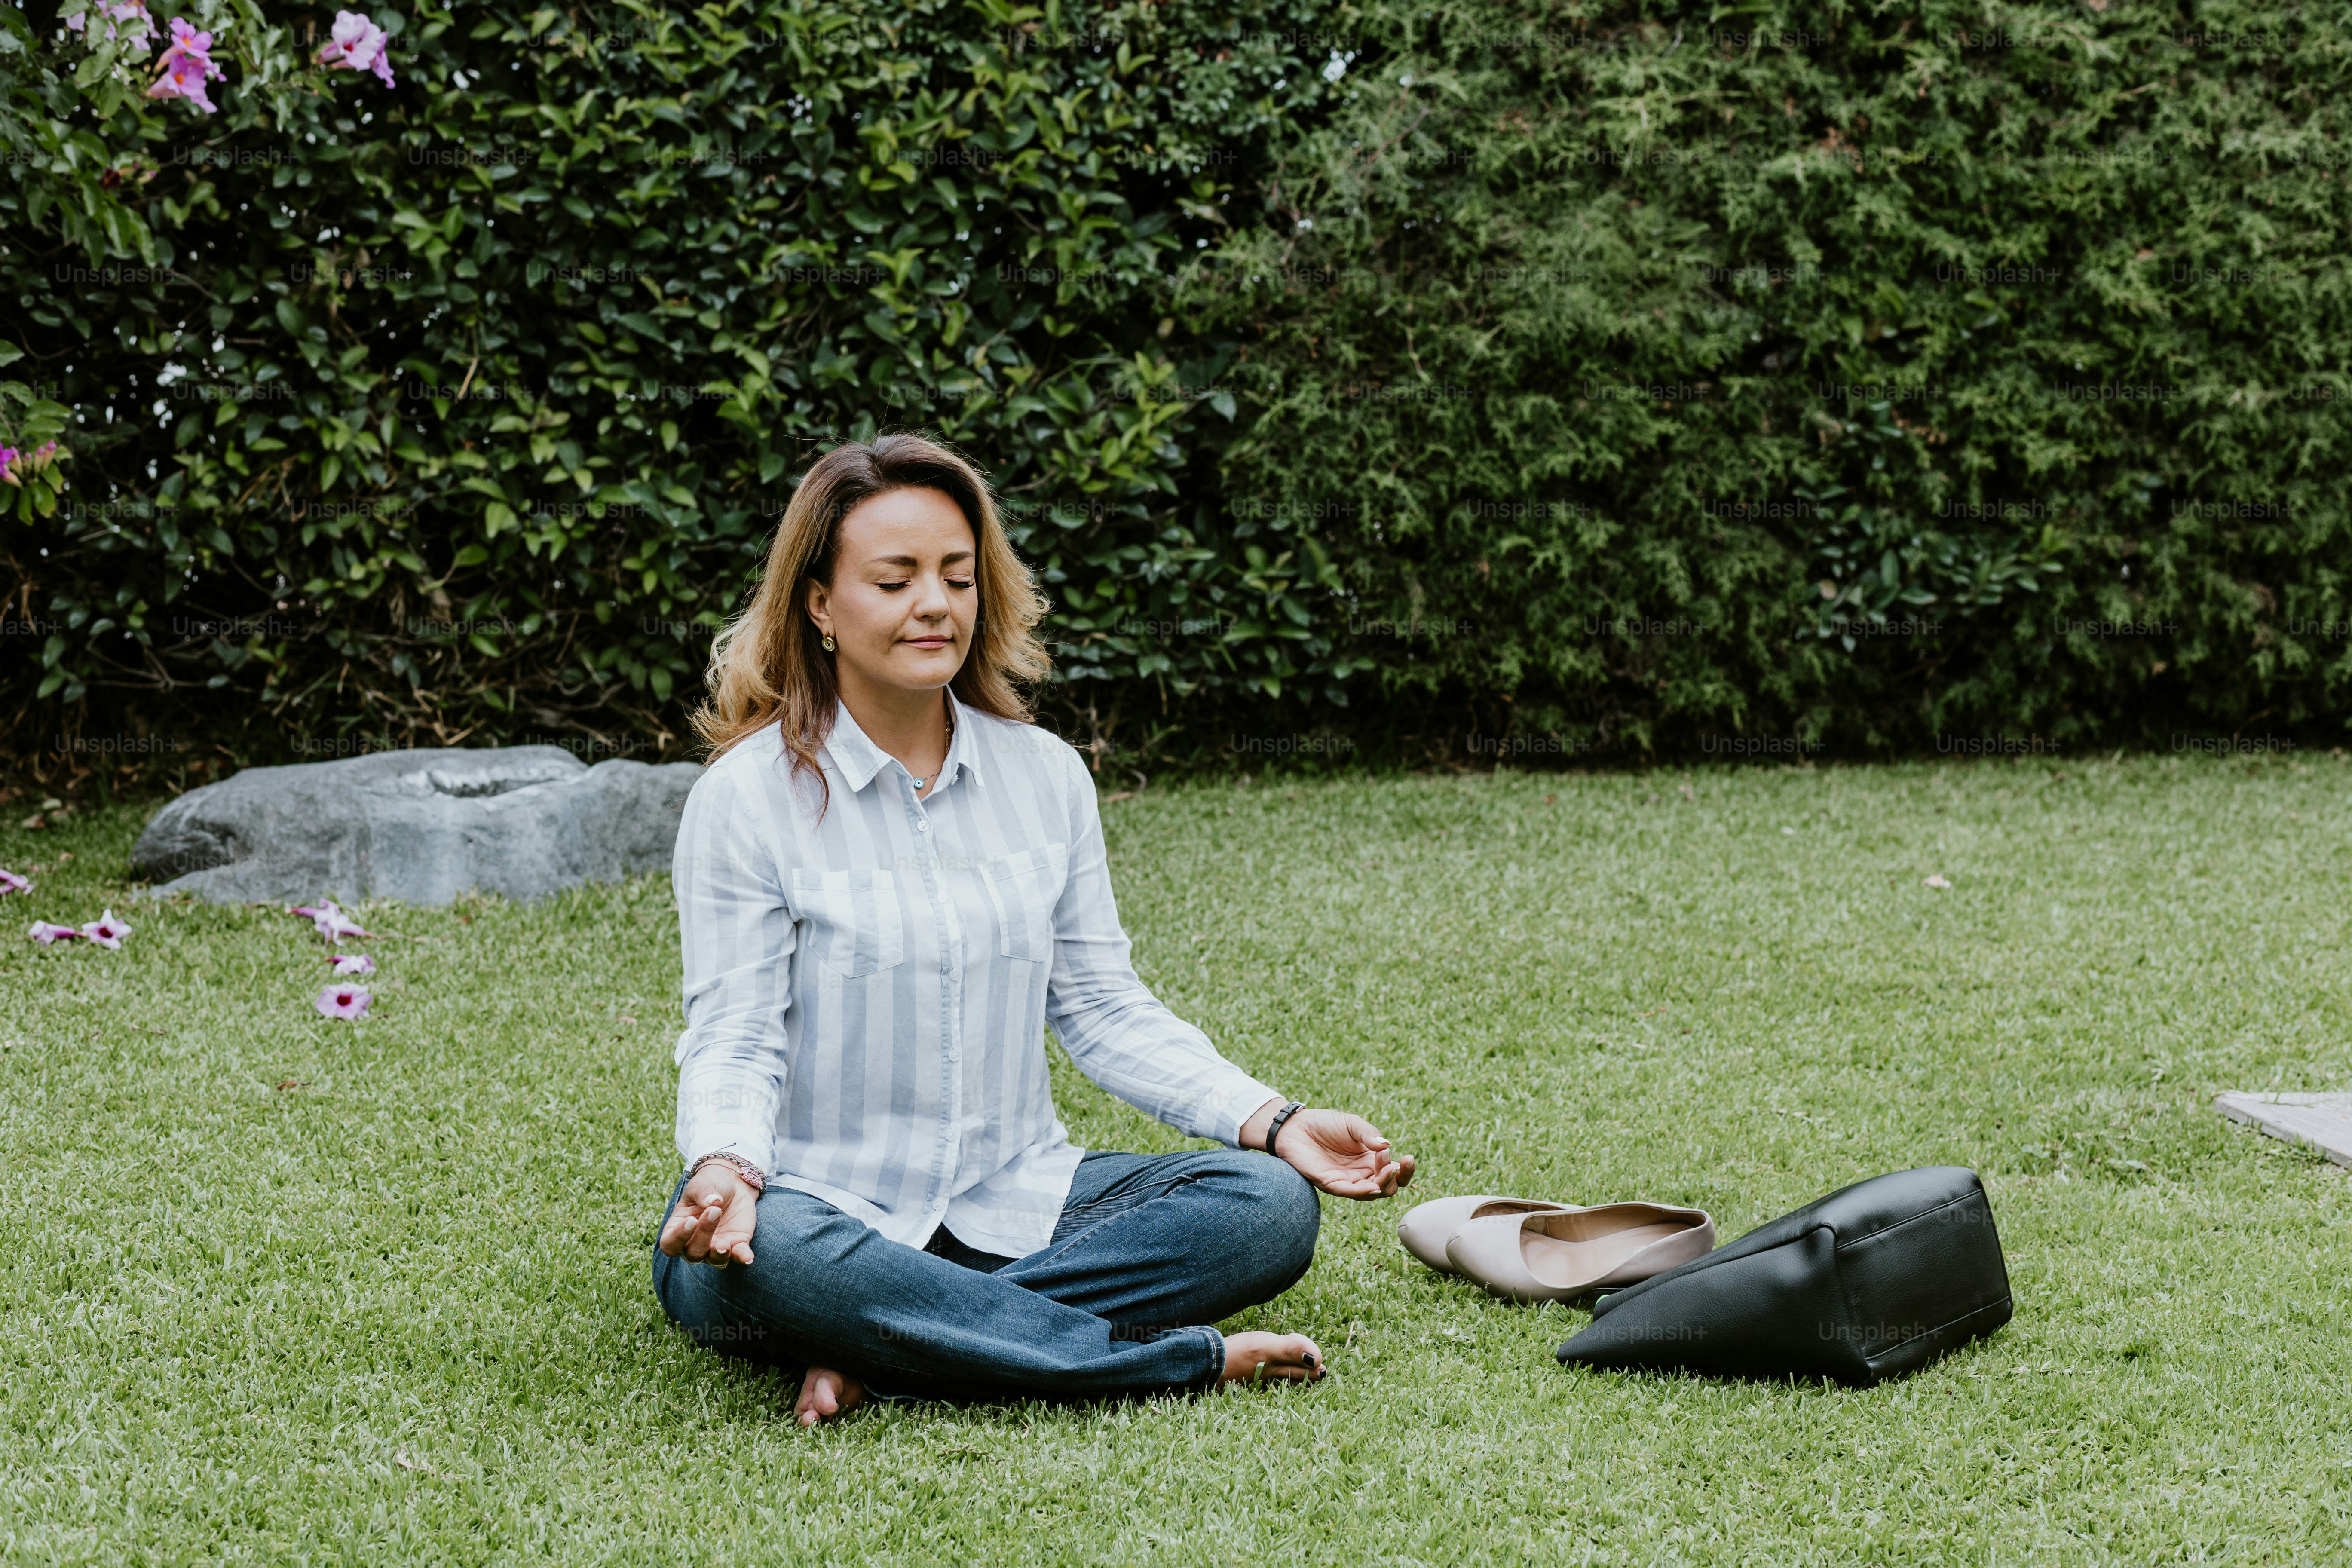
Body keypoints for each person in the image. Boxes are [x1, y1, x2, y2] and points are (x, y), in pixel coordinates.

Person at [652, 433, 1414, 1425]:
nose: (935, 603)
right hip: (806, 1215)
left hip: (1014, 1207)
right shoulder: (747, 798)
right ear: (819, 603)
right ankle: (1154, 1360)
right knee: (775, 1265)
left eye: (957, 577)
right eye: (895, 579)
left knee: (1265, 1210)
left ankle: (893, 1351)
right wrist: (723, 1169)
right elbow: (735, 1029)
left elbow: (1101, 1006)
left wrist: (1271, 1122)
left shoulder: (1046, 776)